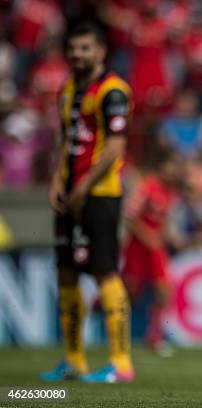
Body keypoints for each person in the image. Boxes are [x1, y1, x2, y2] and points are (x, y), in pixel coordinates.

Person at [41, 22, 134, 383]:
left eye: (85, 48)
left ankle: (121, 364)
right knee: (66, 272)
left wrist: (82, 186)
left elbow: (115, 147)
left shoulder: (113, 91)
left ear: (100, 52)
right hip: (69, 194)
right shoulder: (67, 90)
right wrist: (56, 181)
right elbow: (66, 141)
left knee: (104, 271)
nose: (77, 54)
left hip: (101, 195)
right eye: (73, 48)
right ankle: (74, 360)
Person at [122, 150, 181, 357]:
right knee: (131, 293)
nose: (173, 171)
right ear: (162, 167)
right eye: (170, 167)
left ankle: (154, 338)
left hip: (155, 249)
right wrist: (148, 236)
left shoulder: (170, 193)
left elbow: (164, 221)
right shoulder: (147, 187)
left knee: (164, 291)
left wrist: (167, 237)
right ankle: (100, 312)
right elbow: (130, 216)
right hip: (138, 248)